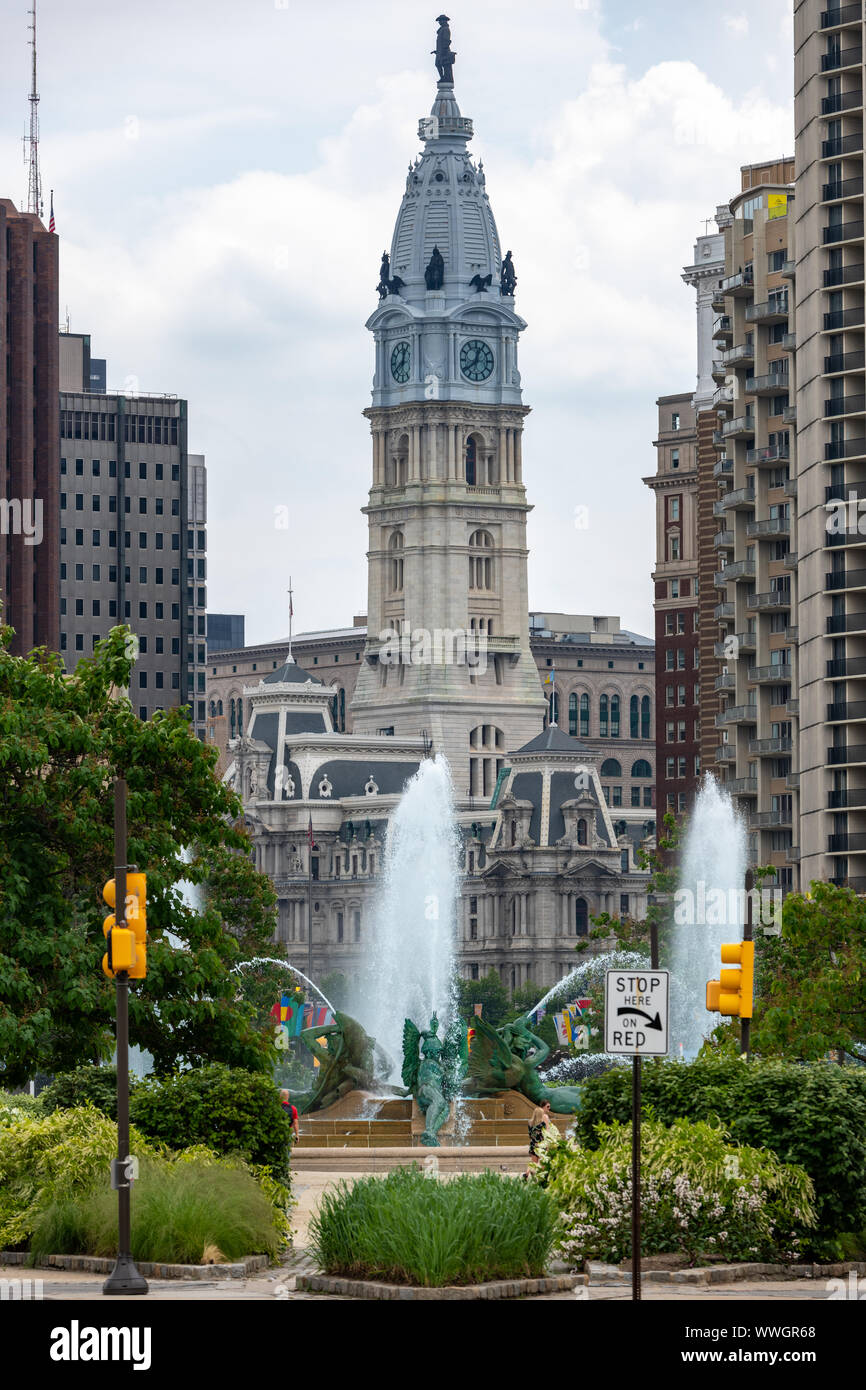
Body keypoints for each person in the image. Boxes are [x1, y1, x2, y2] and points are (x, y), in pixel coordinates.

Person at [527, 1100, 551, 1168]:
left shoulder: (530, 1123)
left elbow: (530, 1135)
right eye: (548, 1106)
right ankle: (542, 1177)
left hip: (533, 1144)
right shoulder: (542, 1124)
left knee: (534, 1164)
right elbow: (547, 1132)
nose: (549, 1108)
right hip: (541, 1144)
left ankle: (527, 1175)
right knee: (543, 1162)